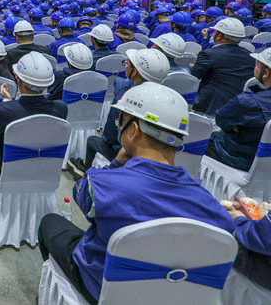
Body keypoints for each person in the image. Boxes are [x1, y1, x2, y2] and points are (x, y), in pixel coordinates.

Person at [39, 82, 235, 303]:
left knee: (50, 223)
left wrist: (115, 164)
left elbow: (80, 192)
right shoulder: (213, 208)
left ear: (133, 130)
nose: (119, 125)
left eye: (121, 120)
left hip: (100, 287)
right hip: (163, 296)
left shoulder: (102, 185)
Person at [71, 48, 170, 175]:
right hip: (153, 156)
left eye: (127, 63)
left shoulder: (124, 98)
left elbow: (109, 137)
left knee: (92, 141)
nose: (125, 66)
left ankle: (87, 170)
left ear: (135, 72)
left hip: (125, 153)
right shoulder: (165, 100)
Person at [0, 52, 68, 183]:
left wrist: (6, 101)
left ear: (18, 81)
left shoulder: (5, 110)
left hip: (9, 173)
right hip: (43, 170)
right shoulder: (61, 108)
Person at [204, 47, 271, 171]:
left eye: (258, 64)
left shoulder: (248, 102)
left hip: (240, 158)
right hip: (266, 164)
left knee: (198, 143)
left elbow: (221, 119)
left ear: (265, 73)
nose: (255, 67)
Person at [190, 17, 254, 115]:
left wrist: (194, 67)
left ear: (219, 36)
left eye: (215, 32)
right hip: (240, 107)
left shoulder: (208, 54)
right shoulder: (250, 56)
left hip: (212, 109)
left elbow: (194, 76)